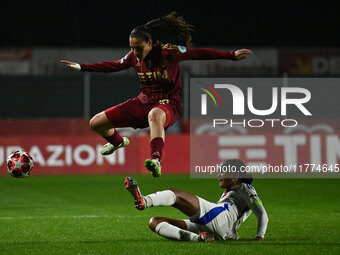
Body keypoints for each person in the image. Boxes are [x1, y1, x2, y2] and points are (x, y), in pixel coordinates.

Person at [61, 12, 253, 178]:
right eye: (131, 47)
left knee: (155, 115)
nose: (134, 52)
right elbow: (113, 65)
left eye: (138, 47)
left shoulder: (170, 52)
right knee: (96, 123)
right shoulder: (132, 57)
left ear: (150, 43)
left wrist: (230, 55)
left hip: (169, 104)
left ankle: (156, 160)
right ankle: (118, 142)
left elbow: (199, 53)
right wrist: (82, 67)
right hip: (143, 102)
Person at [125, 159, 268, 242]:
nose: (219, 175)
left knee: (177, 195)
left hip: (219, 218)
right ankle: (197, 238)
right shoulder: (232, 192)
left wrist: (259, 237)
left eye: (222, 171)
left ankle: (144, 201)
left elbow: (261, 213)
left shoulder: (245, 187)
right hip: (218, 228)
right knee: (155, 221)